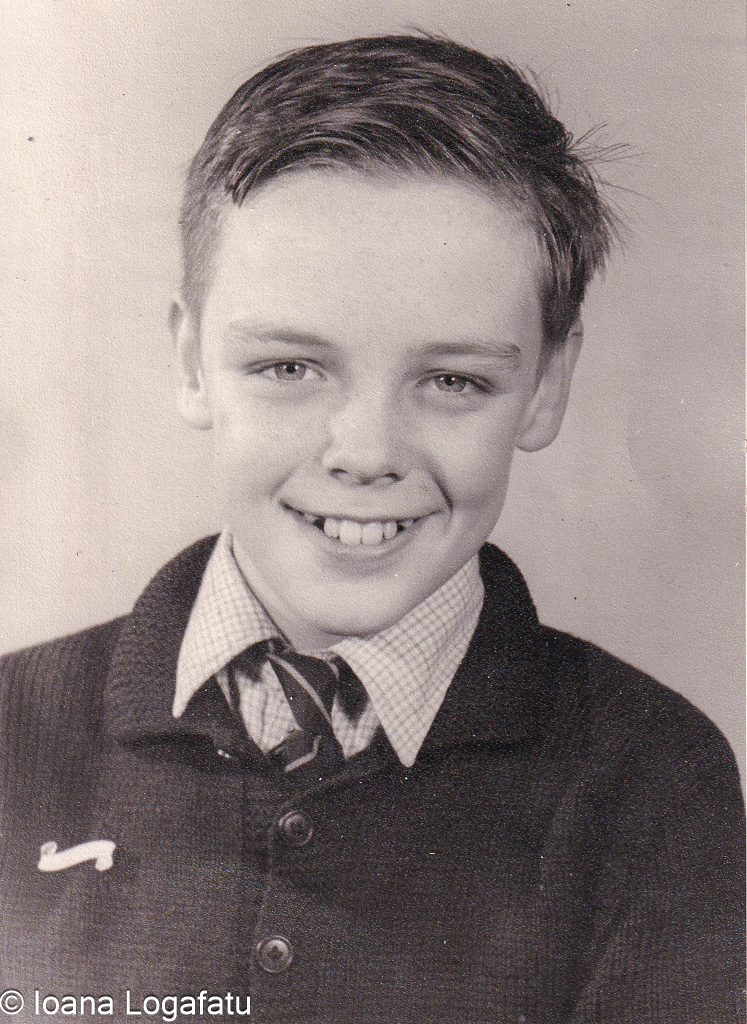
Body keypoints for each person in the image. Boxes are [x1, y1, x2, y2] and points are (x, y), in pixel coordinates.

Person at [0, 34, 743, 1024]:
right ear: (190, 361)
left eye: (453, 381)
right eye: (289, 368)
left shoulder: (652, 781)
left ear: (544, 387)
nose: (365, 452)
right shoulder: (12, 732)